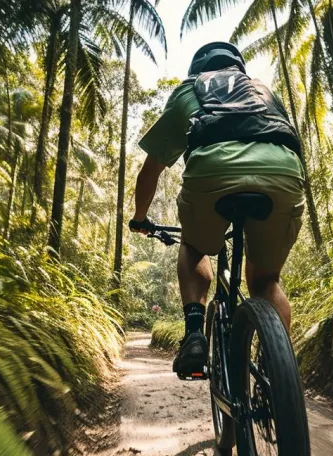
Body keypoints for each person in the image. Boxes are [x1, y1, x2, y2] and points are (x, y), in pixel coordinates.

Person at [128, 41, 305, 377]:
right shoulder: (262, 90)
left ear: (198, 67)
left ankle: (195, 334)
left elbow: (151, 170)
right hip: (284, 173)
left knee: (194, 248)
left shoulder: (189, 90)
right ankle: (278, 370)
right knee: (266, 280)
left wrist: (140, 219)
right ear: (238, 67)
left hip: (213, 174)